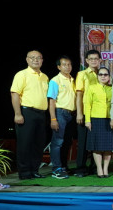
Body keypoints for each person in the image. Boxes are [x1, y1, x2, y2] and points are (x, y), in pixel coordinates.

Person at [10, 50, 48, 180]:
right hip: (27, 112)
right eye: (32, 58)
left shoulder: (44, 77)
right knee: (25, 144)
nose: (36, 60)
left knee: (38, 144)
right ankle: (25, 172)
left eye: (39, 58)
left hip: (41, 114)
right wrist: (18, 113)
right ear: (27, 60)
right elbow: (15, 94)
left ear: (42, 60)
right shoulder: (22, 74)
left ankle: (34, 170)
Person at [47, 55, 76, 179]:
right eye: (64, 64)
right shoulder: (55, 80)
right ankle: (56, 169)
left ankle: (63, 166)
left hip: (71, 114)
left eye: (69, 64)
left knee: (67, 142)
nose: (67, 67)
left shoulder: (73, 80)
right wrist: (53, 119)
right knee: (57, 142)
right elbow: (52, 101)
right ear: (59, 67)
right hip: (60, 113)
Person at [75, 49, 101, 177]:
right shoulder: (82, 74)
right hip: (85, 112)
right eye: (91, 59)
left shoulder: (102, 74)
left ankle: (95, 167)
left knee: (96, 141)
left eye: (96, 59)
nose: (93, 61)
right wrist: (79, 113)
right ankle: (80, 168)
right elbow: (79, 94)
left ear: (100, 60)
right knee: (83, 141)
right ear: (86, 61)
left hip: (98, 113)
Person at [84, 67, 113, 178]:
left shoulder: (112, 88)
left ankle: (106, 169)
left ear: (109, 77)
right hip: (95, 119)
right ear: (98, 76)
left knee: (107, 147)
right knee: (97, 146)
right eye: (100, 74)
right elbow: (87, 104)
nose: (103, 76)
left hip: (109, 120)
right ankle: (99, 170)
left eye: (105, 74)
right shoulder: (92, 88)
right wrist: (87, 120)